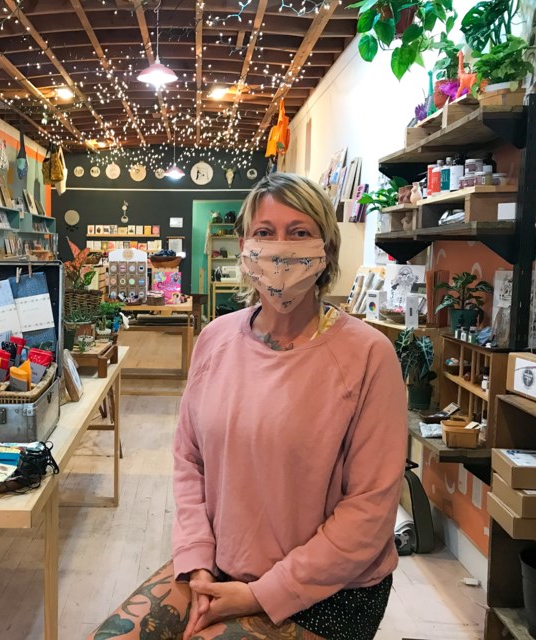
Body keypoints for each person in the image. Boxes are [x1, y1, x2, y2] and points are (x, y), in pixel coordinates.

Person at [88, 173, 407, 640]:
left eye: (299, 233)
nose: (280, 249)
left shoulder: (367, 355)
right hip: (219, 567)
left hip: (330, 591)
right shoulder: (215, 339)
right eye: (264, 232)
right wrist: (197, 561)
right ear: (244, 247)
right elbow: (188, 460)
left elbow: (370, 510)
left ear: (326, 249)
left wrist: (260, 594)